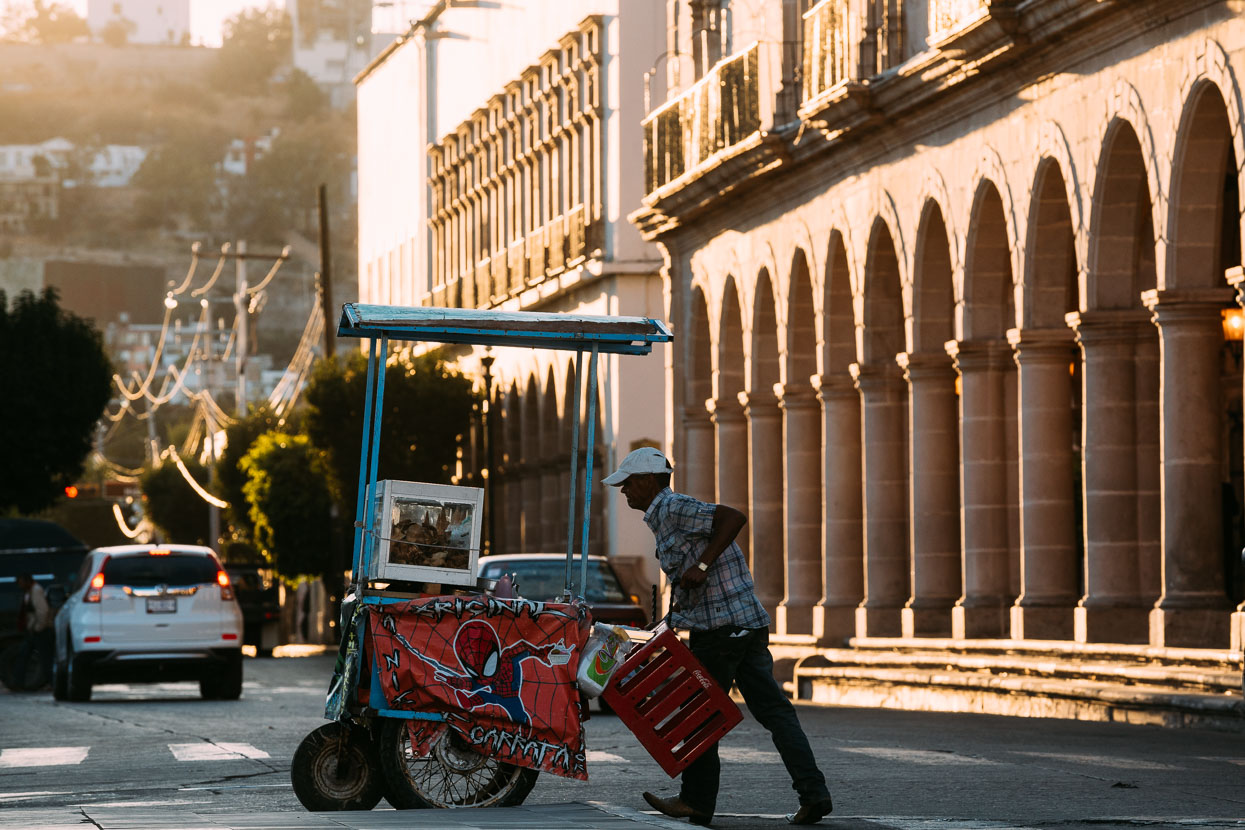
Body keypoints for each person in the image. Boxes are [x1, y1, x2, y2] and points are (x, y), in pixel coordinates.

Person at [604, 447, 834, 827]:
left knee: (697, 715)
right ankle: (814, 793)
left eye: (628, 484)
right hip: (740, 623)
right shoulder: (662, 518)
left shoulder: (674, 507)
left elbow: (733, 517)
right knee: (775, 713)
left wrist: (703, 563)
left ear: (647, 481)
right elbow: (691, 581)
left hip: (723, 630)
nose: (624, 491)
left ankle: (696, 801)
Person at [13, 573, 53, 691]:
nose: (19, 585)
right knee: (25, 655)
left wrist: (38, 627)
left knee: (45, 657)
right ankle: (18, 683)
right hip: (34, 630)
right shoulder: (29, 592)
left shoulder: (36, 591)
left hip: (40, 630)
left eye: (21, 582)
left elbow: (42, 611)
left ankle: (51, 682)